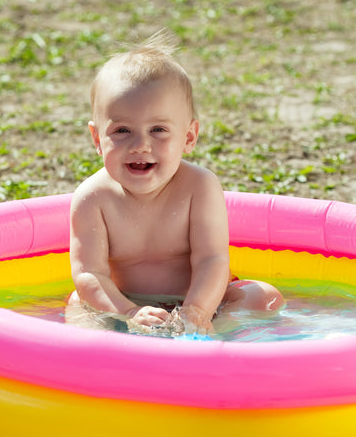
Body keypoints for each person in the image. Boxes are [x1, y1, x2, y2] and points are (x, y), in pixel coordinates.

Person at [67, 29, 284, 335]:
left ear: (189, 136)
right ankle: (97, 359)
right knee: (78, 303)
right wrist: (128, 312)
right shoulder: (93, 198)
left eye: (158, 130)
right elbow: (90, 274)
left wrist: (197, 311)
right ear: (97, 138)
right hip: (127, 303)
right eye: (122, 131)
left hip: (206, 301)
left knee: (263, 297)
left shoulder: (199, 186)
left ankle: (224, 340)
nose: (140, 145)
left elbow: (212, 259)